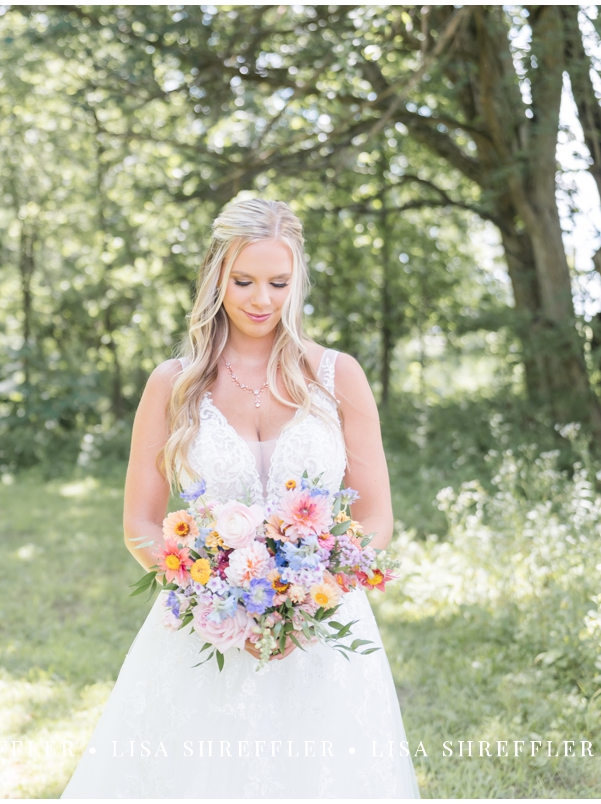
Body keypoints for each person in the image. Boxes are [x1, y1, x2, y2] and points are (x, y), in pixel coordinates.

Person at [61, 198, 421, 798]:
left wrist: (315, 596)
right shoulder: (172, 384)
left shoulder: (338, 377)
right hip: (204, 631)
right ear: (215, 277)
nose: (261, 299)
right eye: (244, 280)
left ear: (297, 280)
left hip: (322, 627)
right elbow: (142, 523)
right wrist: (211, 598)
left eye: (278, 282)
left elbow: (376, 516)